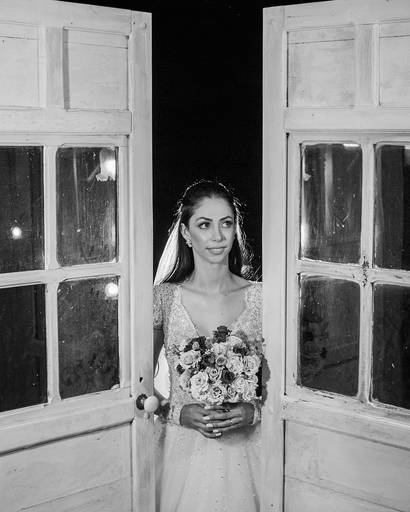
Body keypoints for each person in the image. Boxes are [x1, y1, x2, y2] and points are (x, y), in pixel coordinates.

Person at [153, 179, 262, 512]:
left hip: (250, 451)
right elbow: (138, 386)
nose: (218, 236)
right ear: (186, 233)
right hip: (183, 452)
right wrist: (177, 412)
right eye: (205, 225)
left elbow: (281, 385)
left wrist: (253, 411)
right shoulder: (163, 298)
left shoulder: (262, 297)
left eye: (226, 223)